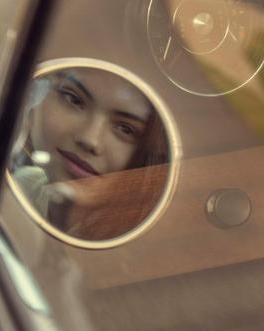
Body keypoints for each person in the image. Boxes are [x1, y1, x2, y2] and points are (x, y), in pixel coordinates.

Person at [11, 65, 169, 240]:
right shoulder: (24, 185)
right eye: (74, 100)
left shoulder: (144, 246)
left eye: (125, 129)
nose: (89, 139)